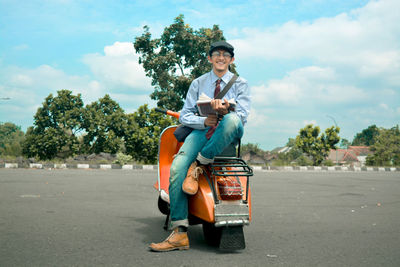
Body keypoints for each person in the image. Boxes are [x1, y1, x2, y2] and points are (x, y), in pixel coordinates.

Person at [149, 40, 251, 252]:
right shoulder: (198, 83)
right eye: (216, 54)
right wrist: (204, 121)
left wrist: (225, 111)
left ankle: (199, 163)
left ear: (232, 60)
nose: (220, 57)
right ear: (210, 58)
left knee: (233, 120)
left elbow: (242, 116)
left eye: (225, 54)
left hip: (227, 132)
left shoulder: (241, 83)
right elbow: (185, 115)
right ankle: (179, 232)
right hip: (202, 131)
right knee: (177, 167)